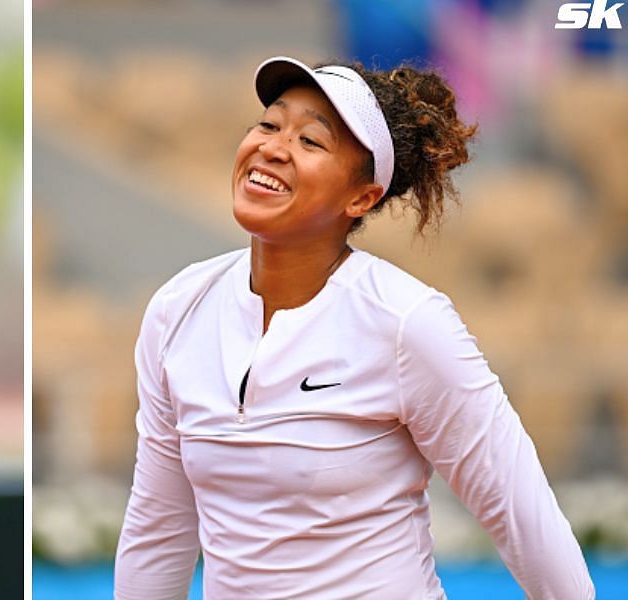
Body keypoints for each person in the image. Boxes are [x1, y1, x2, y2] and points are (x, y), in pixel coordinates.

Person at [114, 56, 594, 598]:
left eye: (310, 142)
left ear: (361, 197)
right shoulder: (176, 310)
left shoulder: (408, 321)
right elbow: (159, 530)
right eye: (269, 124)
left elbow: (521, 512)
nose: (272, 147)